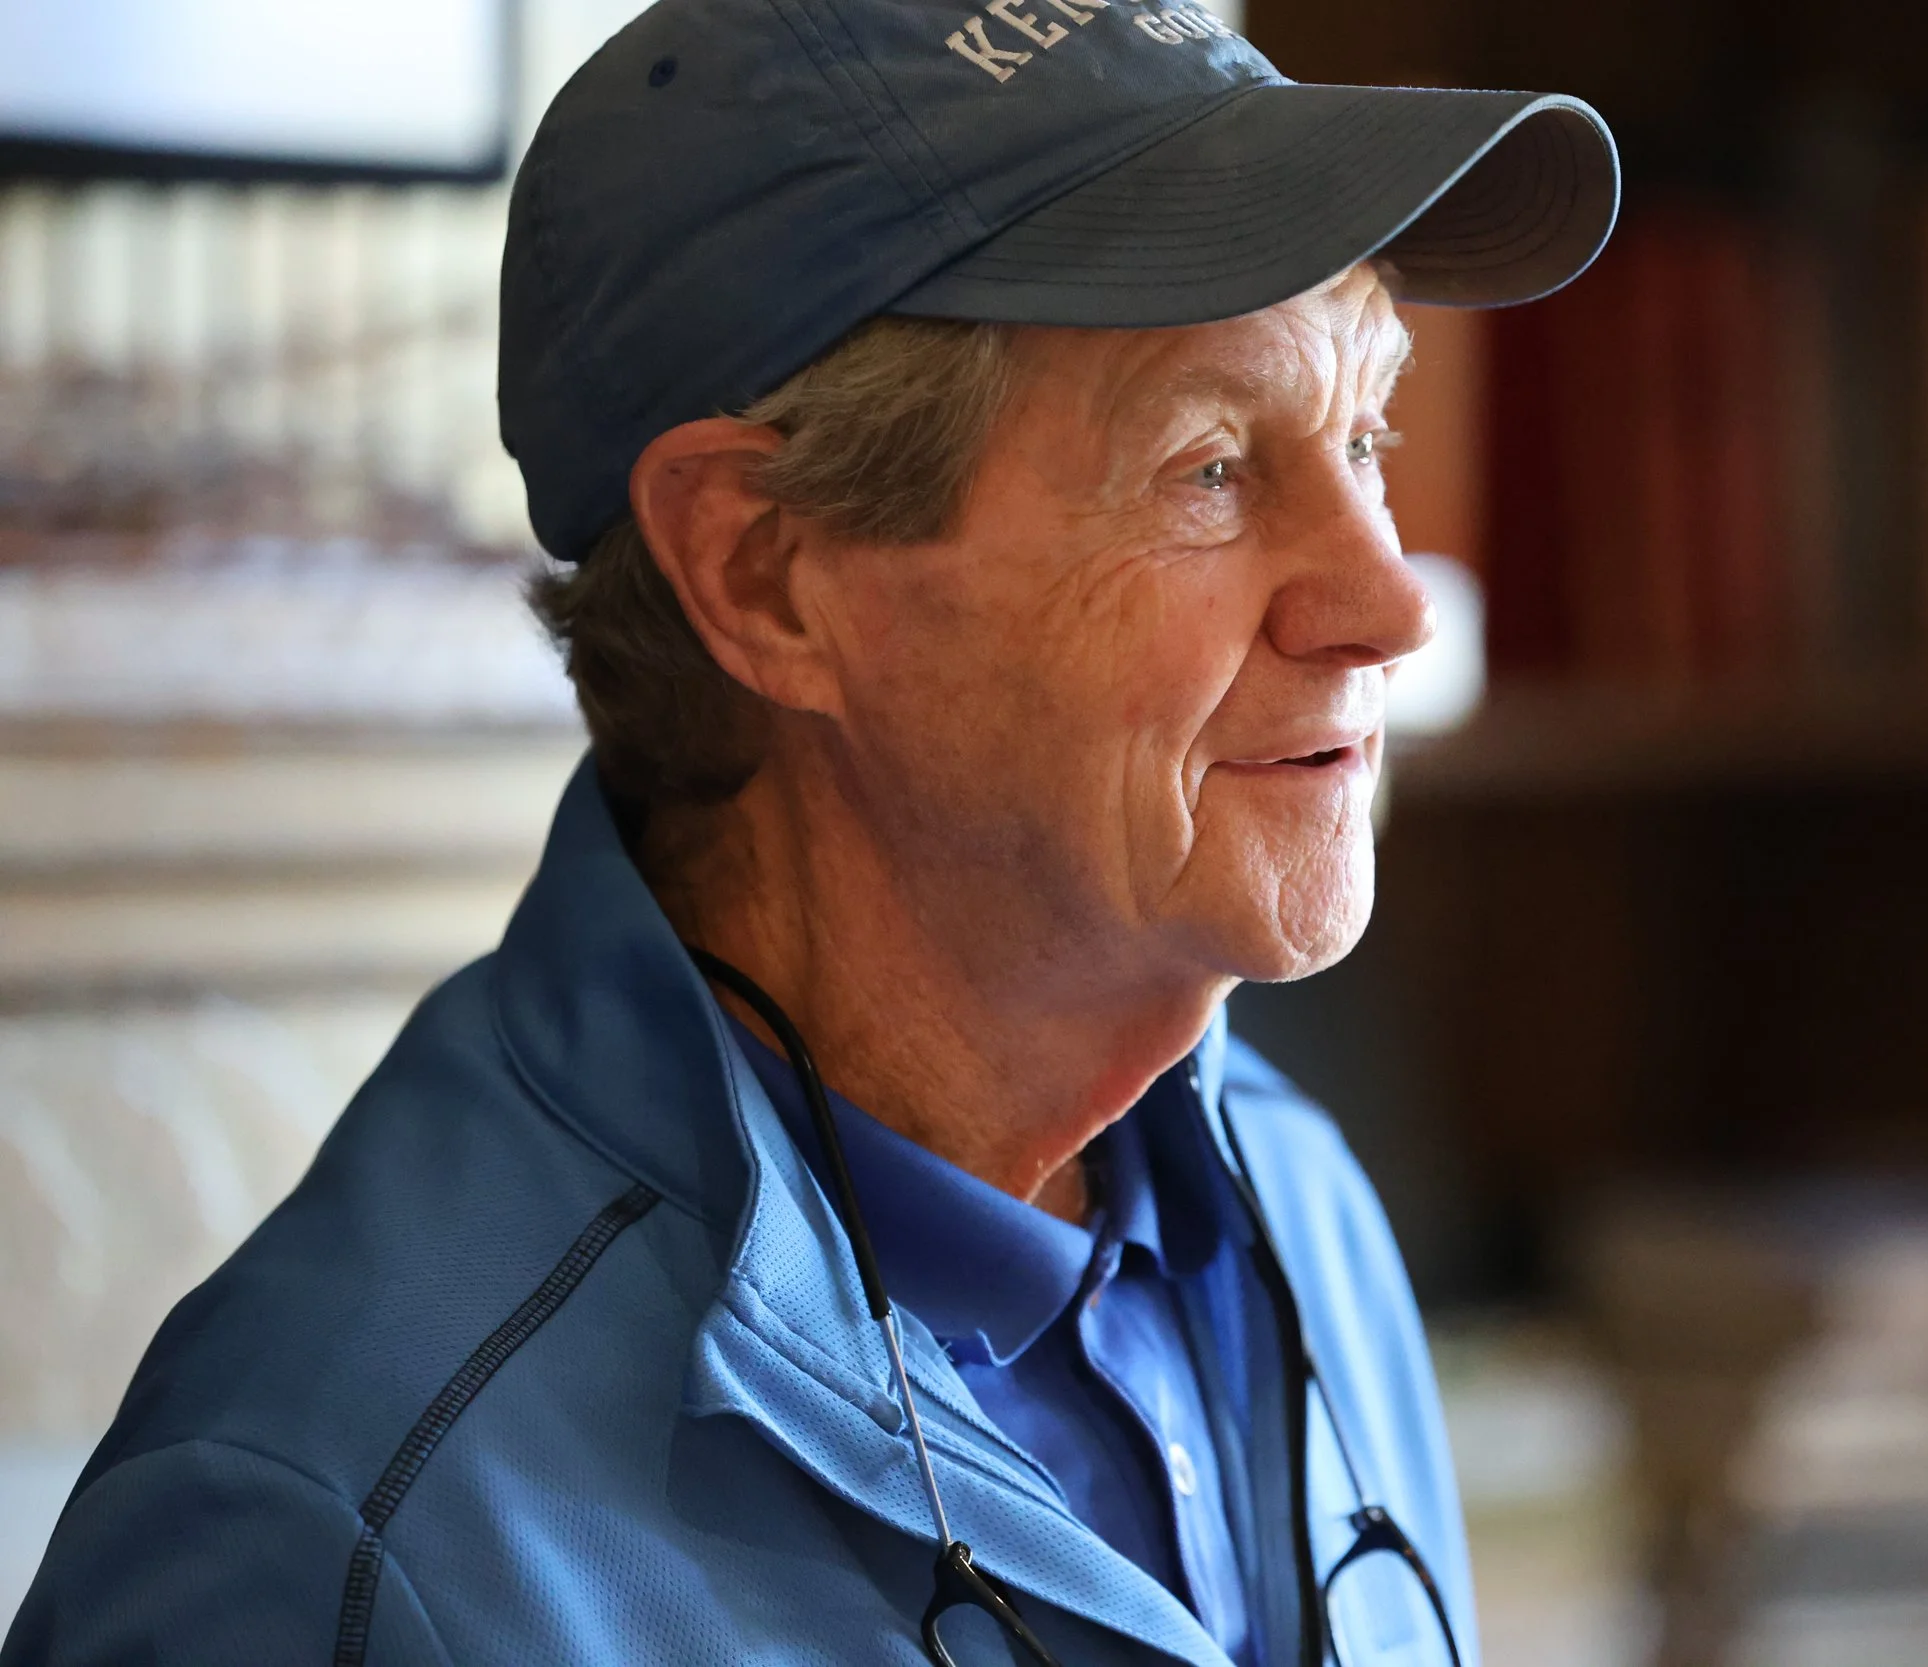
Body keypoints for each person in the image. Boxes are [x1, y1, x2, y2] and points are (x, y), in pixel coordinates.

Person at [1, 1, 1614, 1660]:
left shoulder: (1300, 1207)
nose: (1384, 605)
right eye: (1208, 467)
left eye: (1366, 435)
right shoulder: (335, 1533)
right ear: (764, 574)